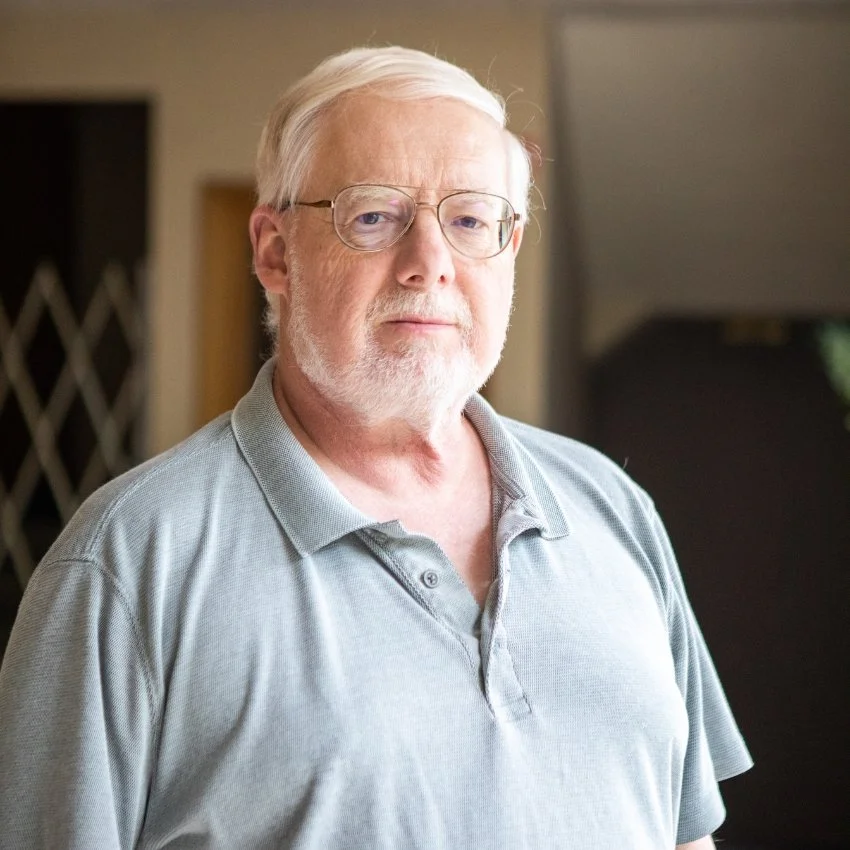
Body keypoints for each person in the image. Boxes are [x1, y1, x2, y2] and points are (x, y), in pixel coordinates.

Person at [0, 45, 752, 849]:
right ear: (274, 252)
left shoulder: (611, 507)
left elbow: (684, 834)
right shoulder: (128, 564)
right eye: (373, 215)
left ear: (511, 249)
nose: (429, 265)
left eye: (469, 221)